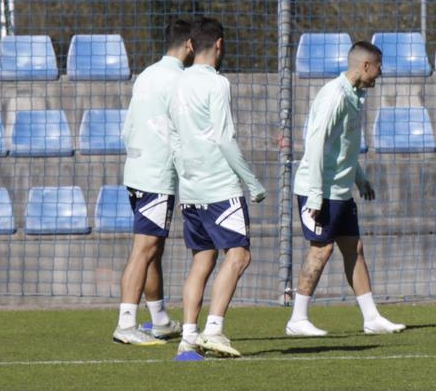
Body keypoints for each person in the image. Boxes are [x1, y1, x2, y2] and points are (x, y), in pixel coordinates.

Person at [285, 40, 405, 338]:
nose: (380, 73)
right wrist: (314, 194)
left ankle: (371, 317)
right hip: (320, 190)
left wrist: (359, 177)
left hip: (339, 189)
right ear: (365, 66)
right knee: (321, 249)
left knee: (354, 248)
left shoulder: (355, 96)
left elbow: (343, 145)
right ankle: (297, 318)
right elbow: (315, 143)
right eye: (378, 67)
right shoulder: (335, 95)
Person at [170, 18, 268, 359]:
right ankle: (214, 330)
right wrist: (252, 182)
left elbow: (173, 138)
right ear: (220, 45)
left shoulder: (178, 84)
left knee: (202, 259)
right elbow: (224, 139)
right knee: (239, 255)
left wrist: (185, 180)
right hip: (219, 188)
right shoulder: (217, 84)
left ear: (192, 46)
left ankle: (187, 339)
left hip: (192, 189)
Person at [111, 18, 193, 346]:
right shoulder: (180, 80)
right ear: (189, 45)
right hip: (157, 176)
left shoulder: (147, 74)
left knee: (153, 248)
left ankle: (159, 319)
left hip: (137, 171)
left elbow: (129, 126)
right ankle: (126, 323)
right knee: (144, 248)